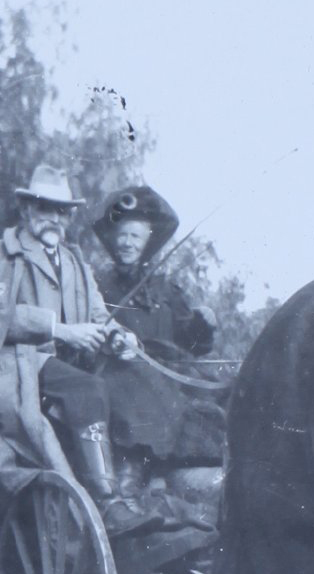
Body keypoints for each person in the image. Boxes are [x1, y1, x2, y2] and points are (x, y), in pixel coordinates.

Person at [0, 164, 162, 538]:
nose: (53, 219)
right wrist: (59, 329)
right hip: (9, 368)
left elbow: (97, 315)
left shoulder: (75, 263)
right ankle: (107, 501)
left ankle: (132, 493)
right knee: (88, 389)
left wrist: (121, 336)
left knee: (127, 387)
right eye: (45, 208)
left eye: (61, 212)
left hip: (56, 368)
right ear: (26, 211)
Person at [92, 186, 226, 496]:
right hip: (118, 368)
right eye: (122, 235)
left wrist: (201, 325)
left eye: (135, 237)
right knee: (139, 392)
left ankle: (191, 477)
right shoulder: (97, 285)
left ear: (148, 242)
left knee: (216, 391)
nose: (127, 243)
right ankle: (131, 481)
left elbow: (192, 344)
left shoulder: (166, 290)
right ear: (112, 239)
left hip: (169, 369)